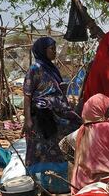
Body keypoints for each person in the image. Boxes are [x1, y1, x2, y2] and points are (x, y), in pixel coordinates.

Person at [23, 37, 80, 180]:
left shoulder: (53, 69)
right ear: (43, 50)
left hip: (58, 114)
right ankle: (35, 180)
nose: (55, 52)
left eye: (55, 48)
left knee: (65, 139)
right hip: (41, 116)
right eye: (52, 49)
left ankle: (59, 178)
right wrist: (28, 119)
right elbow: (27, 95)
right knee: (37, 149)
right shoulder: (35, 69)